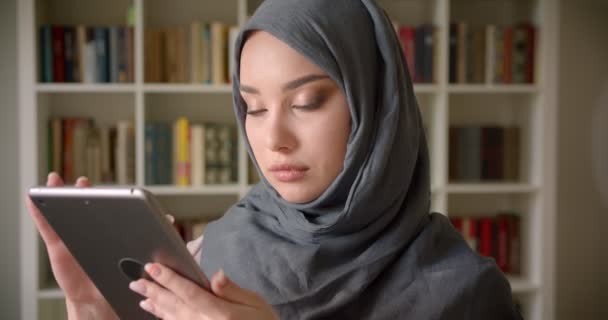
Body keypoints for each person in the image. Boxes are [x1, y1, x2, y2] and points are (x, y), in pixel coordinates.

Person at [27, 0, 523, 319]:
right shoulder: (209, 254)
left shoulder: (466, 294)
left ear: (376, 107)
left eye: (306, 103)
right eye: (254, 108)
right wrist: (90, 311)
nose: (274, 139)